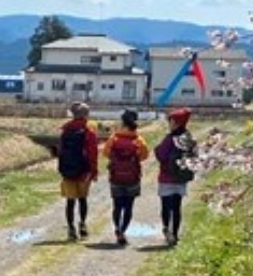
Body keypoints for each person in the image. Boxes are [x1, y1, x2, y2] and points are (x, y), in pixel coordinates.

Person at [102, 109, 150, 246]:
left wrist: (115, 159)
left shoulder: (114, 138)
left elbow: (105, 153)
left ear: (122, 121)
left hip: (116, 177)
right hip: (132, 178)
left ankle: (117, 228)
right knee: (129, 206)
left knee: (117, 205)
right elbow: (145, 156)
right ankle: (123, 231)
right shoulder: (138, 139)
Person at [56, 101, 99, 242]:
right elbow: (93, 153)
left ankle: (70, 228)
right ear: (86, 115)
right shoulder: (88, 131)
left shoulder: (65, 129)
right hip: (84, 171)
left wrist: (62, 167)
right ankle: (82, 224)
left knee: (70, 201)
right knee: (82, 199)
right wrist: (93, 171)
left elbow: (61, 151)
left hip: (67, 170)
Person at [154, 107, 197, 247]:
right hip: (180, 178)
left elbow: (161, 155)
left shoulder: (170, 139)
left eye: (171, 121)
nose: (169, 123)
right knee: (177, 207)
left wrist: (156, 149)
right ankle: (175, 234)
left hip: (166, 177)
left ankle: (167, 229)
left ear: (177, 122)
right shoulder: (188, 138)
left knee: (166, 206)